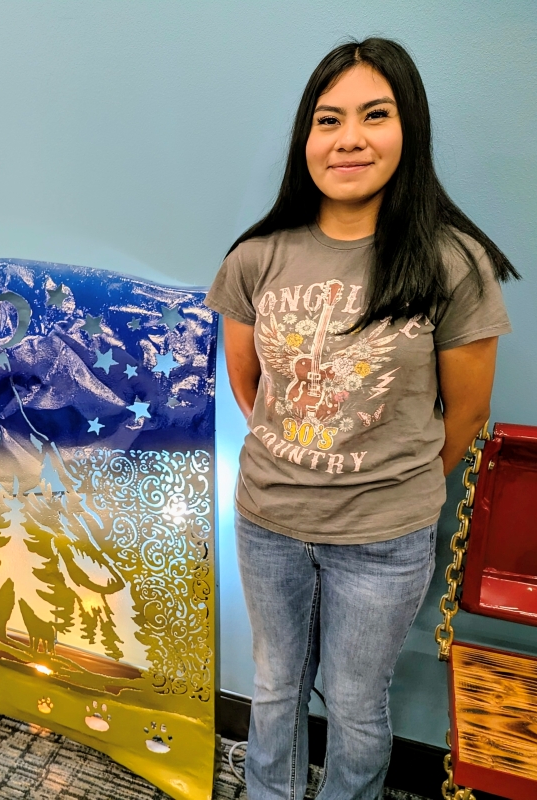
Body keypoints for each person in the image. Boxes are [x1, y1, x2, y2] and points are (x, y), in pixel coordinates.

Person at [205, 37, 518, 800]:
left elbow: (469, 410)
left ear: (407, 128)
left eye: (373, 115)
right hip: (269, 521)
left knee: (355, 703)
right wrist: (303, 455)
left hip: (385, 542)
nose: (348, 138)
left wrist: (388, 483)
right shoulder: (258, 256)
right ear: (304, 140)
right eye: (327, 119)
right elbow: (249, 387)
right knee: (276, 687)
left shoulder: (452, 261)